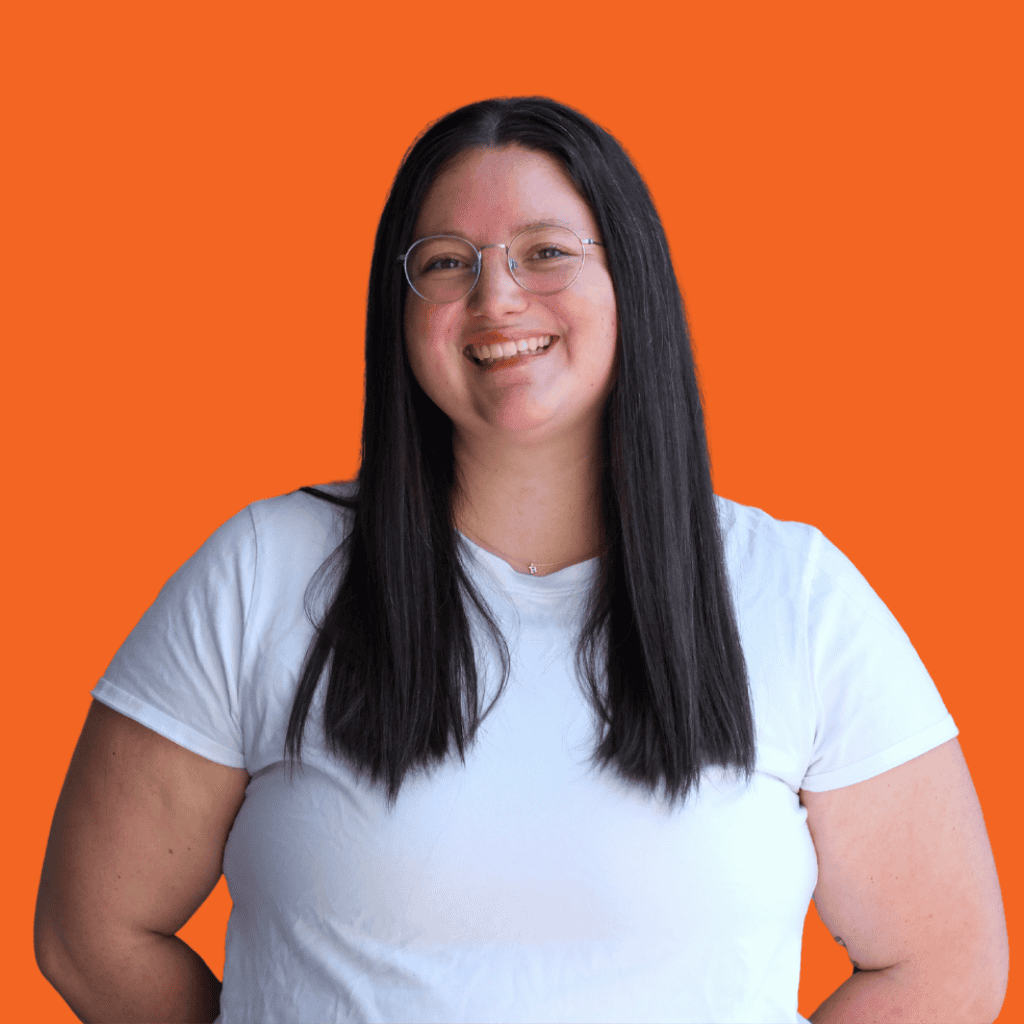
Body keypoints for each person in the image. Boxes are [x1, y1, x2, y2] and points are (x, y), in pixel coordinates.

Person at [34, 97, 1007, 1024]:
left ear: (631, 277)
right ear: (401, 306)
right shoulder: (262, 572)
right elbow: (91, 932)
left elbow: (948, 960)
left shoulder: (796, 593)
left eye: (543, 252)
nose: (495, 295)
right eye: (448, 261)